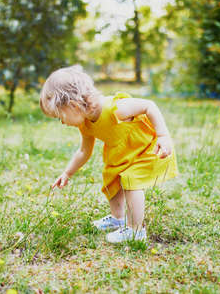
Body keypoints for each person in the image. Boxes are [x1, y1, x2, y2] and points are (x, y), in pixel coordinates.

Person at [39, 65, 178, 243]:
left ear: (73, 105)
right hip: (122, 154)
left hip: (147, 149)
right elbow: (84, 151)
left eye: (60, 117)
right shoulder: (86, 124)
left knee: (131, 181)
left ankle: (136, 231)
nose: (62, 123)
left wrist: (163, 136)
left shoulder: (115, 108)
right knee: (111, 179)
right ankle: (117, 218)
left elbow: (148, 106)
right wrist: (67, 173)